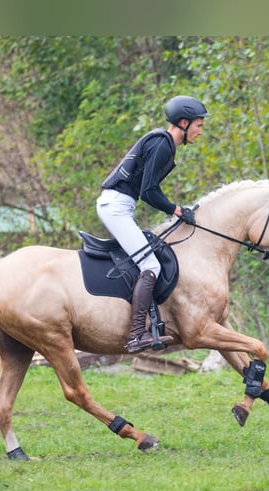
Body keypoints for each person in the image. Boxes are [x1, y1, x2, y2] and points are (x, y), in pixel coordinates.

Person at [97, 95, 210, 353]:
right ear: (184, 122)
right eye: (199, 126)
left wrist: (175, 209)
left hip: (120, 206)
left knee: (148, 259)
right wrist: (177, 210)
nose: (200, 132)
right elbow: (149, 191)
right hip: (116, 206)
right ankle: (136, 334)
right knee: (150, 264)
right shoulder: (163, 144)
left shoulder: (164, 144)